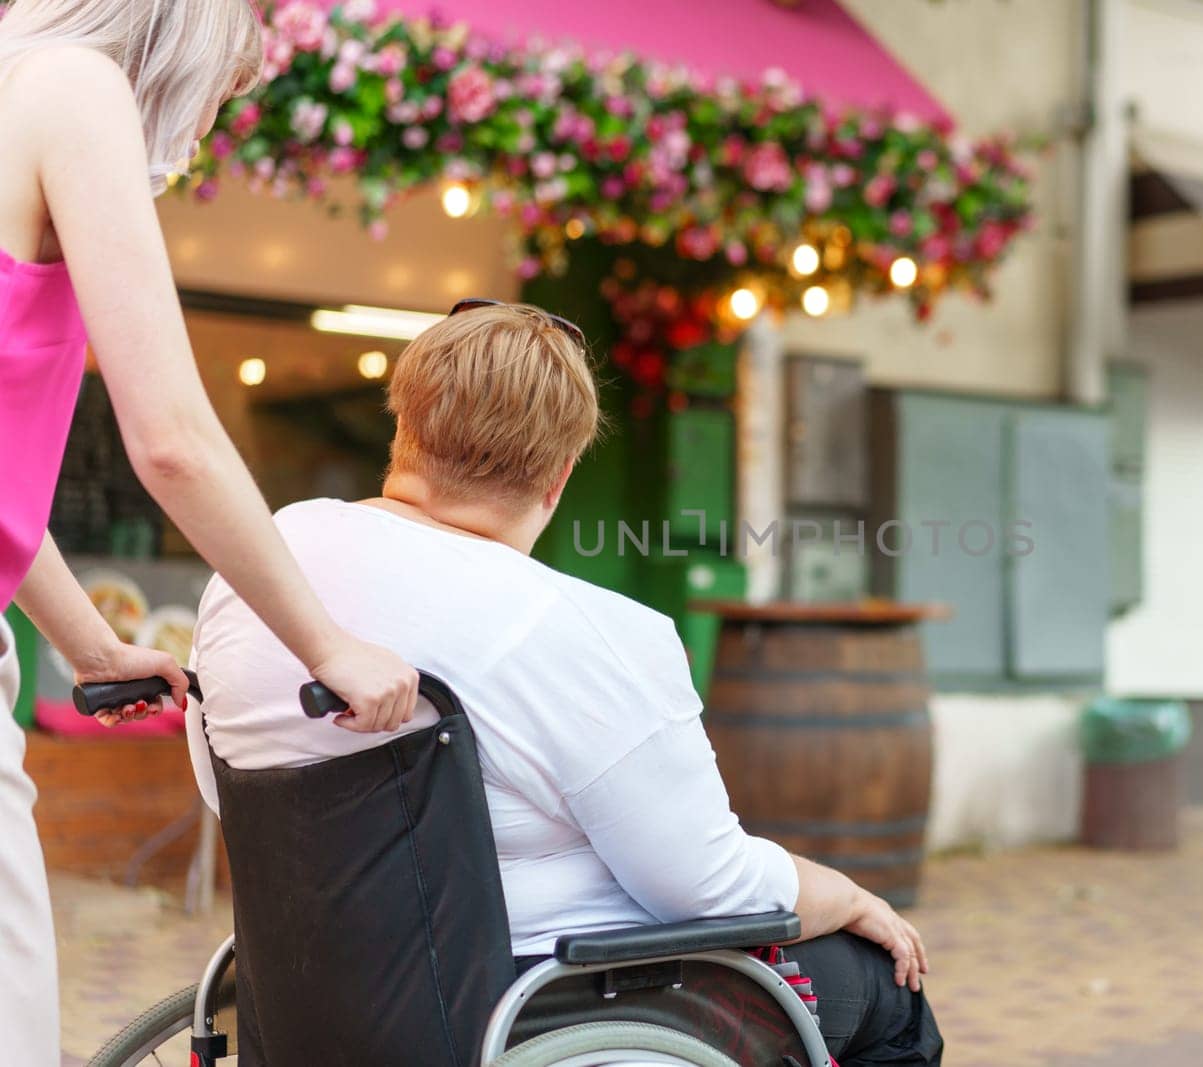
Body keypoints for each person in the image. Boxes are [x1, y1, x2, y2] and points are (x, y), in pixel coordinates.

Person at [186, 302, 944, 1066]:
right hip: (534, 1002)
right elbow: (706, 888)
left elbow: (232, 788)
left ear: (404, 423)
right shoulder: (584, 629)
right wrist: (844, 894)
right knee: (884, 991)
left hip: (310, 993)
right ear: (558, 475)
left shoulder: (264, 565)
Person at [0, 3, 419, 1062]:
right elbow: (174, 438)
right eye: (254, 29)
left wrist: (88, 643)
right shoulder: (72, 87)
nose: (257, 63)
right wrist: (327, 644)